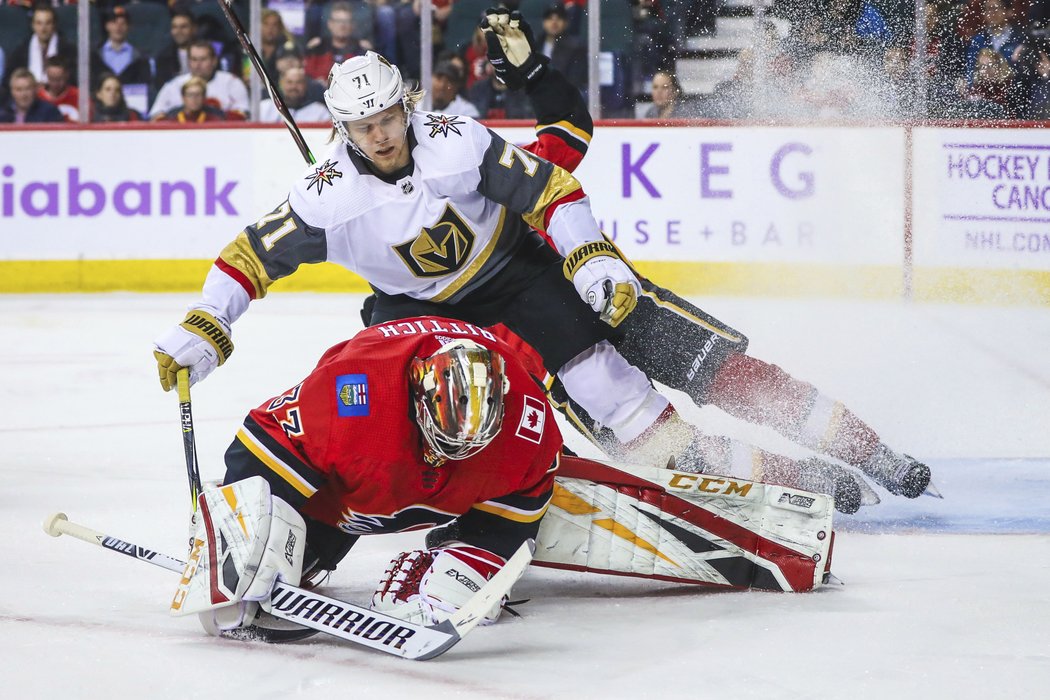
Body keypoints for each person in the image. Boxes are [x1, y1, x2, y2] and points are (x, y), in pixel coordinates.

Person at [151, 47, 703, 496]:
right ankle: (451, 496)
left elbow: (549, 189)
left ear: (406, 107)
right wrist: (207, 320)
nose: (381, 136)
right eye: (364, 126)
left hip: (512, 270)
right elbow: (249, 256)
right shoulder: (326, 197)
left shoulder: (456, 140)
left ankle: (687, 470)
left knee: (595, 374)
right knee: (394, 404)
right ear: (343, 128)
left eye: (388, 119)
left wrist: (590, 256)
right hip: (414, 306)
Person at [464, 8, 933, 506]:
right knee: (673, 456)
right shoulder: (411, 250)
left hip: (623, 308)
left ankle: (873, 454)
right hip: (560, 362)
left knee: (739, 380)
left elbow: (569, 127)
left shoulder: (492, 170)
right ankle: (803, 481)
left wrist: (533, 72)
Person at [175, 320, 561, 637]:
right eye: (440, 443)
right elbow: (264, 437)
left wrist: (477, 556)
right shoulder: (351, 395)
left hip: (411, 482)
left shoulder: (529, 427)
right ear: (418, 394)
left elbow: (527, 492)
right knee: (253, 572)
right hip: (340, 497)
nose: (446, 458)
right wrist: (238, 526)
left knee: (457, 587)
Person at [149, 40, 249, 119]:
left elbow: (243, 114)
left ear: (214, 61)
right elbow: (156, 116)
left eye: (203, 59)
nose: (198, 64)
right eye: (194, 59)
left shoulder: (231, 83)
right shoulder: (173, 85)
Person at [90, 5, 152, 101]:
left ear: (129, 27)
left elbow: (145, 86)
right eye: (114, 23)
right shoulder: (95, 55)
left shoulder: (140, 57)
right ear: (107, 26)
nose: (118, 27)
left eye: (123, 23)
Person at [6, 3, 76, 84]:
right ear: (33, 25)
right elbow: (9, 81)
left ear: (54, 25)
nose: (43, 28)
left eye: (48, 23)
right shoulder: (20, 52)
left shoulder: (69, 52)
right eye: (39, 23)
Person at [304, 1, 372, 82]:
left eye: (346, 21)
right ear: (330, 24)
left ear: (353, 25)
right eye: (338, 21)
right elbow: (307, 76)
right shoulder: (317, 48)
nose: (342, 26)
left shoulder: (362, 50)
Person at [258, 66, 330, 123]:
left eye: (298, 82)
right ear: (282, 84)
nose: (293, 87)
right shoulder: (265, 107)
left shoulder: (320, 111)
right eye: (289, 82)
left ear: (305, 85)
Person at [157, 76, 228, 123]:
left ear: (204, 97)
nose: (194, 99)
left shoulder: (214, 120)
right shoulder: (171, 120)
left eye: (198, 95)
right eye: (190, 95)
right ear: (183, 97)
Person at [36, 55, 78, 121]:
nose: (55, 84)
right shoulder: (37, 97)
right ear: (46, 74)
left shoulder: (79, 96)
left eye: (59, 79)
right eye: (51, 79)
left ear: (67, 75)